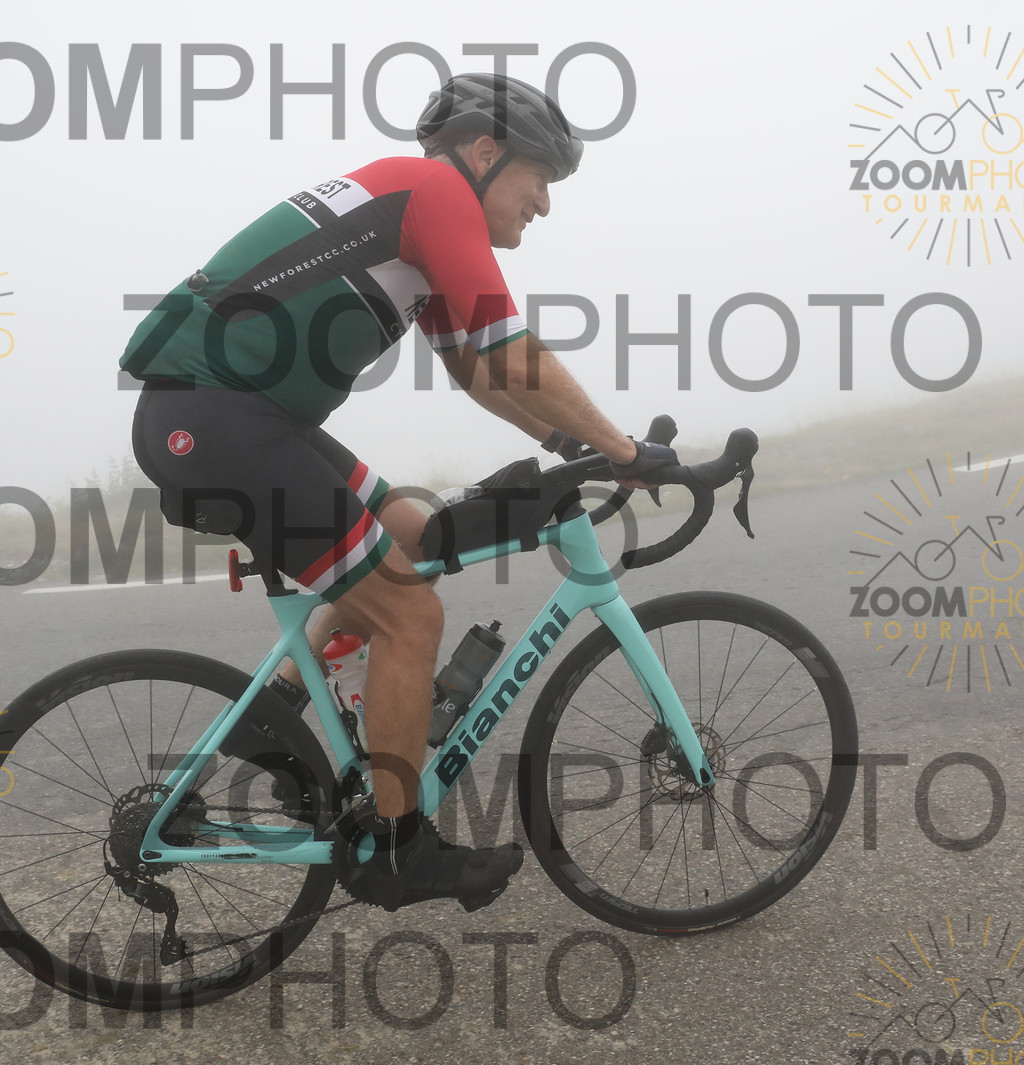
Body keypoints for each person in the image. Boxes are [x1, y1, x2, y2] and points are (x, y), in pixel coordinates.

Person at [120, 73, 676, 911]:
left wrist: (573, 446)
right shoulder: (435, 195)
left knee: (416, 534)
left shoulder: (412, 213)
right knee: (409, 614)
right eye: (539, 180)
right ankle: (397, 848)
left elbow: (481, 372)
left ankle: (274, 716)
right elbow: (516, 353)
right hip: (220, 420)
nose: (544, 204)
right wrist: (626, 450)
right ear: (484, 154)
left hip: (243, 417)